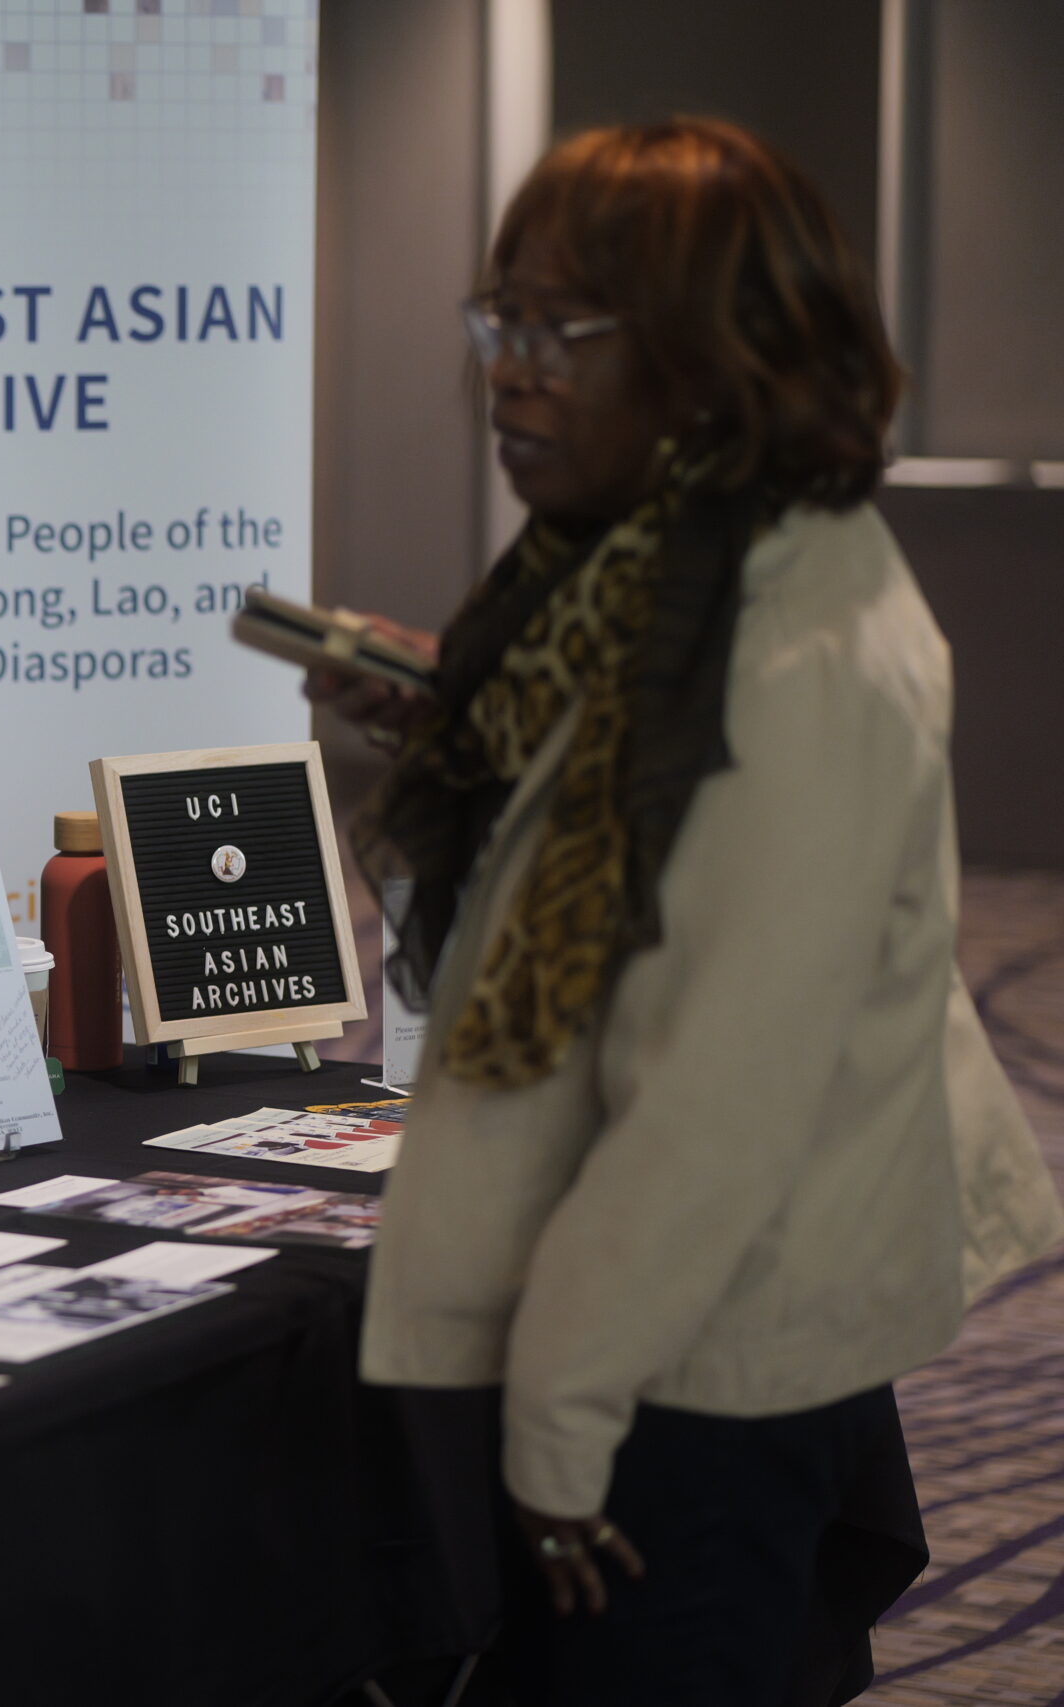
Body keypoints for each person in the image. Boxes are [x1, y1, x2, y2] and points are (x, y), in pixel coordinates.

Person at [316, 119, 1064, 1702]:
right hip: (672, 1305)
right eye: (498, 321)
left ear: (716, 359)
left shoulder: (789, 652)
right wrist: (458, 716)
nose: (509, 373)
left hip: (695, 1348)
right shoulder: (651, 564)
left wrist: (559, 1418)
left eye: (560, 332)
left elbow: (714, 1104)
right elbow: (622, 811)